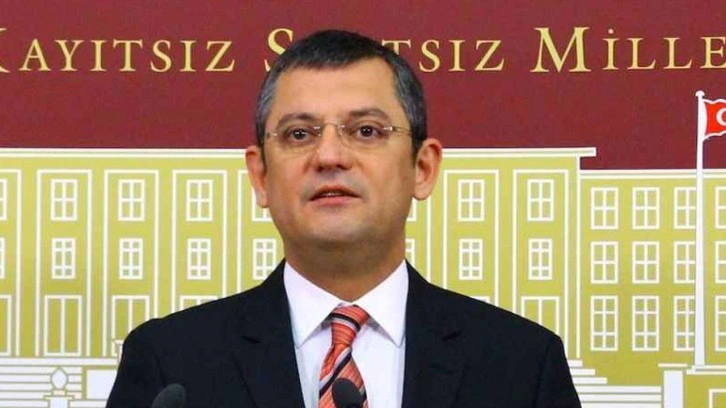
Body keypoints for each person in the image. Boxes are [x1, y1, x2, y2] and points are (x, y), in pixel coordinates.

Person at [106, 29, 580, 408]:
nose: (329, 156)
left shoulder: (521, 365)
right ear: (261, 176)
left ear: (422, 168)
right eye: (299, 134)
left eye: (366, 131)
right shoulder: (173, 364)